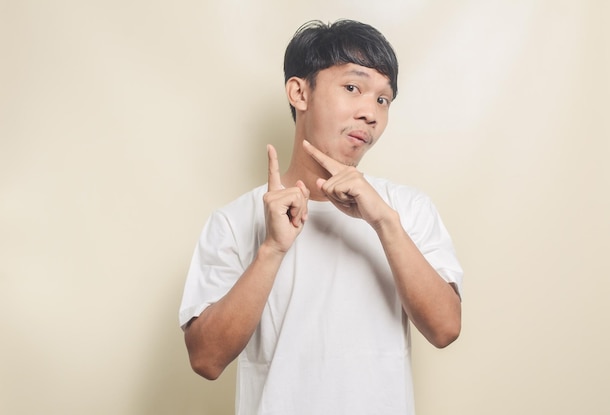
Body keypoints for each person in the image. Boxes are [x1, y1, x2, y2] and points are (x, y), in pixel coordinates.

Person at [179, 19, 463, 415]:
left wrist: (384, 223)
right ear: (300, 92)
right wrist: (273, 249)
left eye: (383, 100)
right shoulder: (234, 221)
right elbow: (205, 360)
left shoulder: (406, 209)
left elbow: (446, 329)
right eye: (353, 88)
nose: (371, 113)